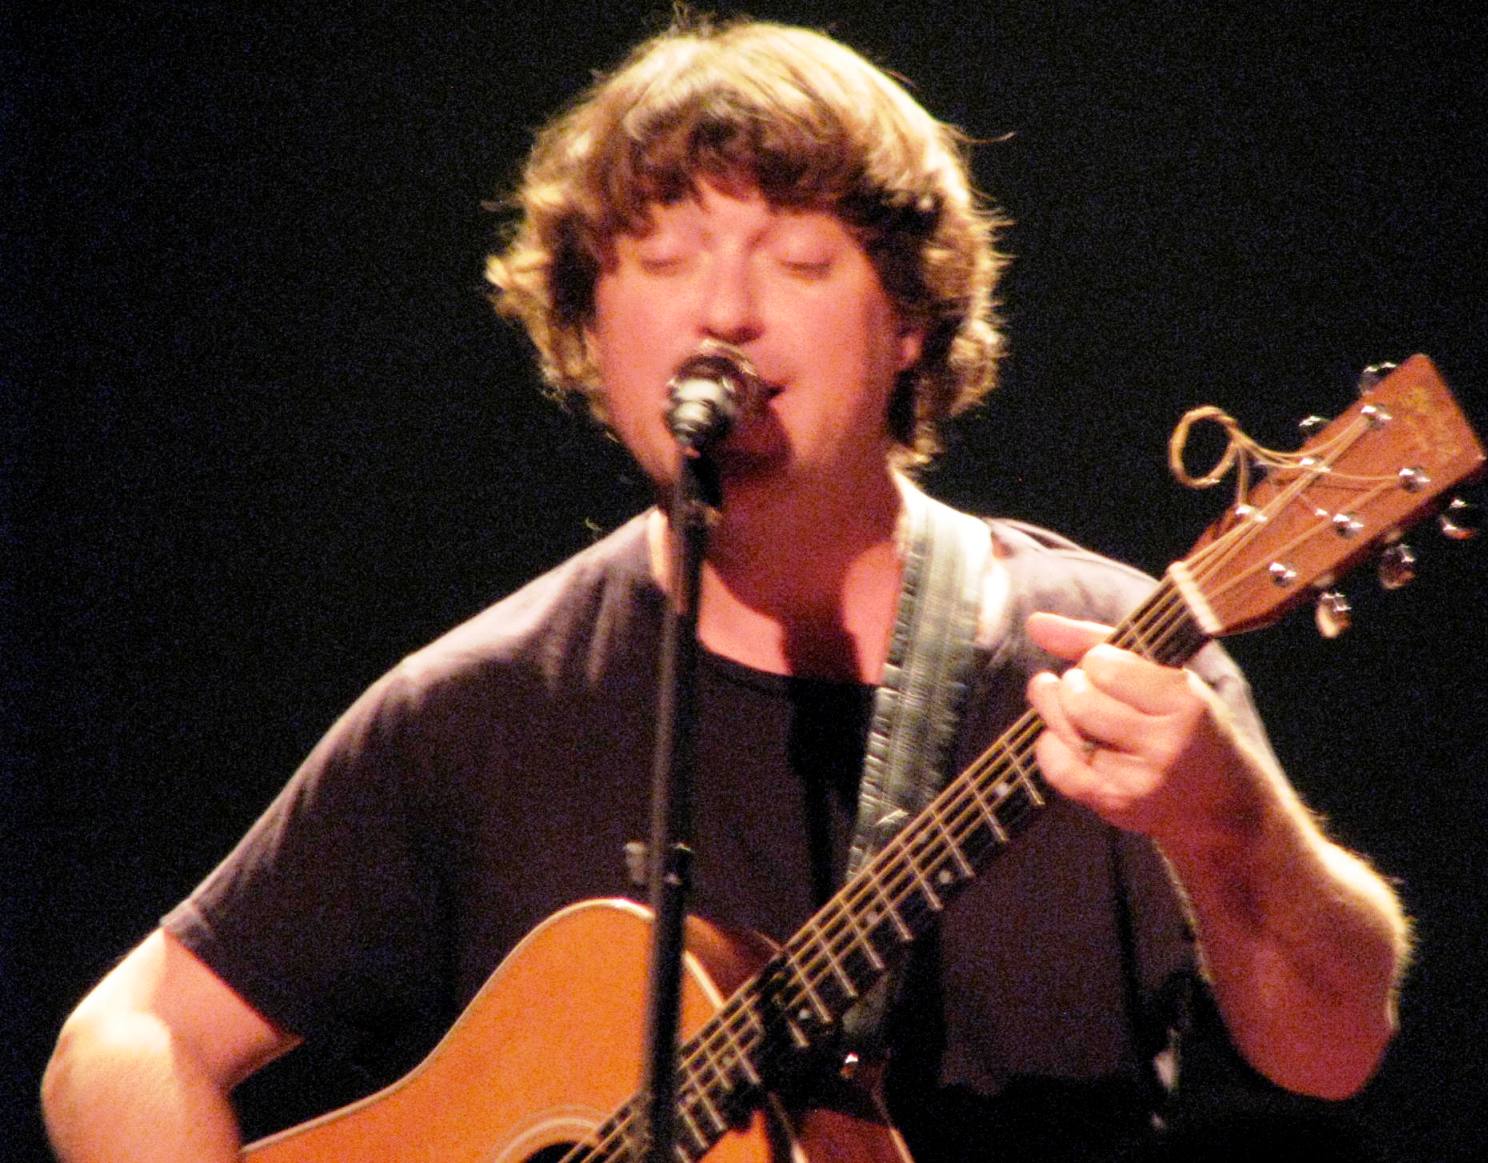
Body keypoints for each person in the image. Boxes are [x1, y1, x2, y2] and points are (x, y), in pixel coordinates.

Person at [41, 17, 1409, 1162]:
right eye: (662, 259)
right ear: (590, 326)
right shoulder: (486, 707)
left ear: (909, 321)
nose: (724, 312)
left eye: (798, 260)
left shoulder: (1103, 659)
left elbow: (1334, 1051)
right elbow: (124, 1039)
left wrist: (1231, 827)